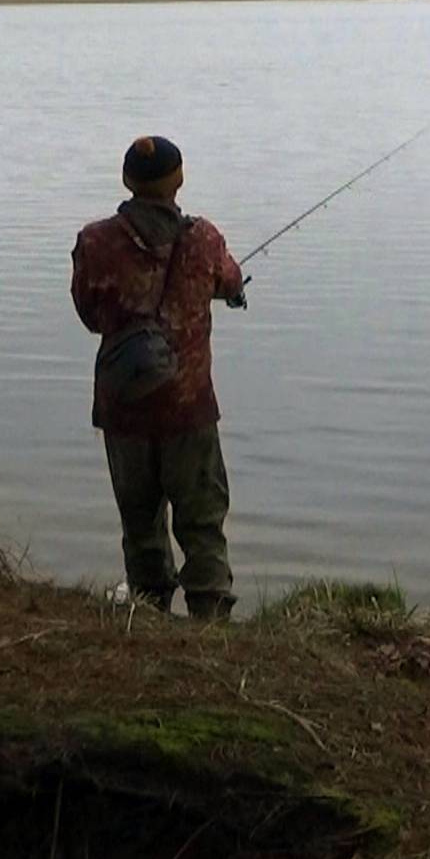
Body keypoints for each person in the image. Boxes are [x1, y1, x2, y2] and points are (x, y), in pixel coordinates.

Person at [71, 136, 247, 619]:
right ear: (180, 179)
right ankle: (210, 625)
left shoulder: (94, 242)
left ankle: (148, 619)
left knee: (140, 525)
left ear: (128, 180)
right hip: (188, 409)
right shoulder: (204, 240)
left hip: (122, 410)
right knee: (203, 525)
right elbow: (230, 281)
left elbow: (89, 315)